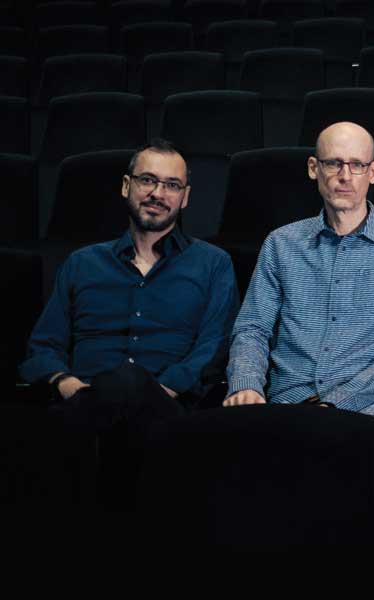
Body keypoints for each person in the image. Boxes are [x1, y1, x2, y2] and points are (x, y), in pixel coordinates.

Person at [21, 138, 240, 504]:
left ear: (185, 197)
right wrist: (69, 385)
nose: (158, 194)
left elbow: (215, 346)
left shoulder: (213, 264)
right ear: (127, 186)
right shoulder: (82, 263)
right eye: (147, 180)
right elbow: (43, 345)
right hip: (84, 409)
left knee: (128, 380)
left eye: (172, 185)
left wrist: (159, 389)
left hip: (167, 414)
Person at [224, 121, 374, 419]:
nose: (344, 176)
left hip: (365, 413)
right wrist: (246, 384)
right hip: (286, 406)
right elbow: (252, 329)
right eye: (334, 163)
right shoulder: (281, 243)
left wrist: (335, 404)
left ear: (373, 172)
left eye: (357, 165)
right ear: (313, 168)